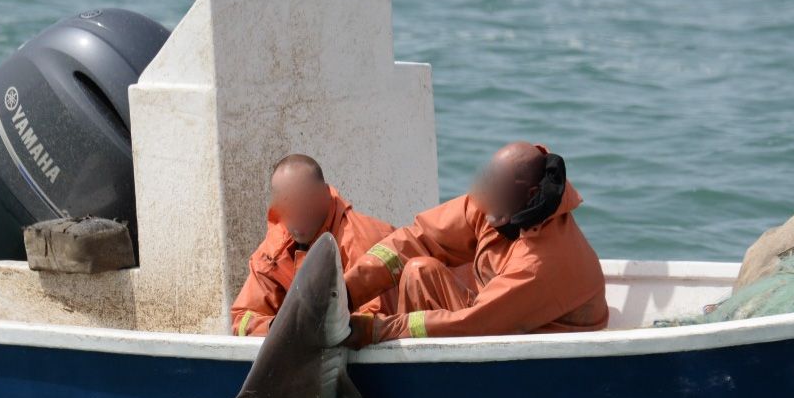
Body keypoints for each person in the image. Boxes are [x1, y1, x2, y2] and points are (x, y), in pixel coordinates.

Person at [343, 141, 608, 347]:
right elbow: (418, 238)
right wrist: (347, 292)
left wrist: (376, 330)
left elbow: (476, 323)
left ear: (530, 195)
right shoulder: (495, 202)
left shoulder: (540, 262)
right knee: (419, 270)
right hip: (494, 317)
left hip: (545, 347)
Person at [231, 154, 396, 336]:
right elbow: (242, 319)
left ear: (325, 194)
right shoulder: (274, 251)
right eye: (288, 205)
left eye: (305, 202)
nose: (297, 215)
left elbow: (370, 324)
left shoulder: (360, 240)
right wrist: (277, 326)